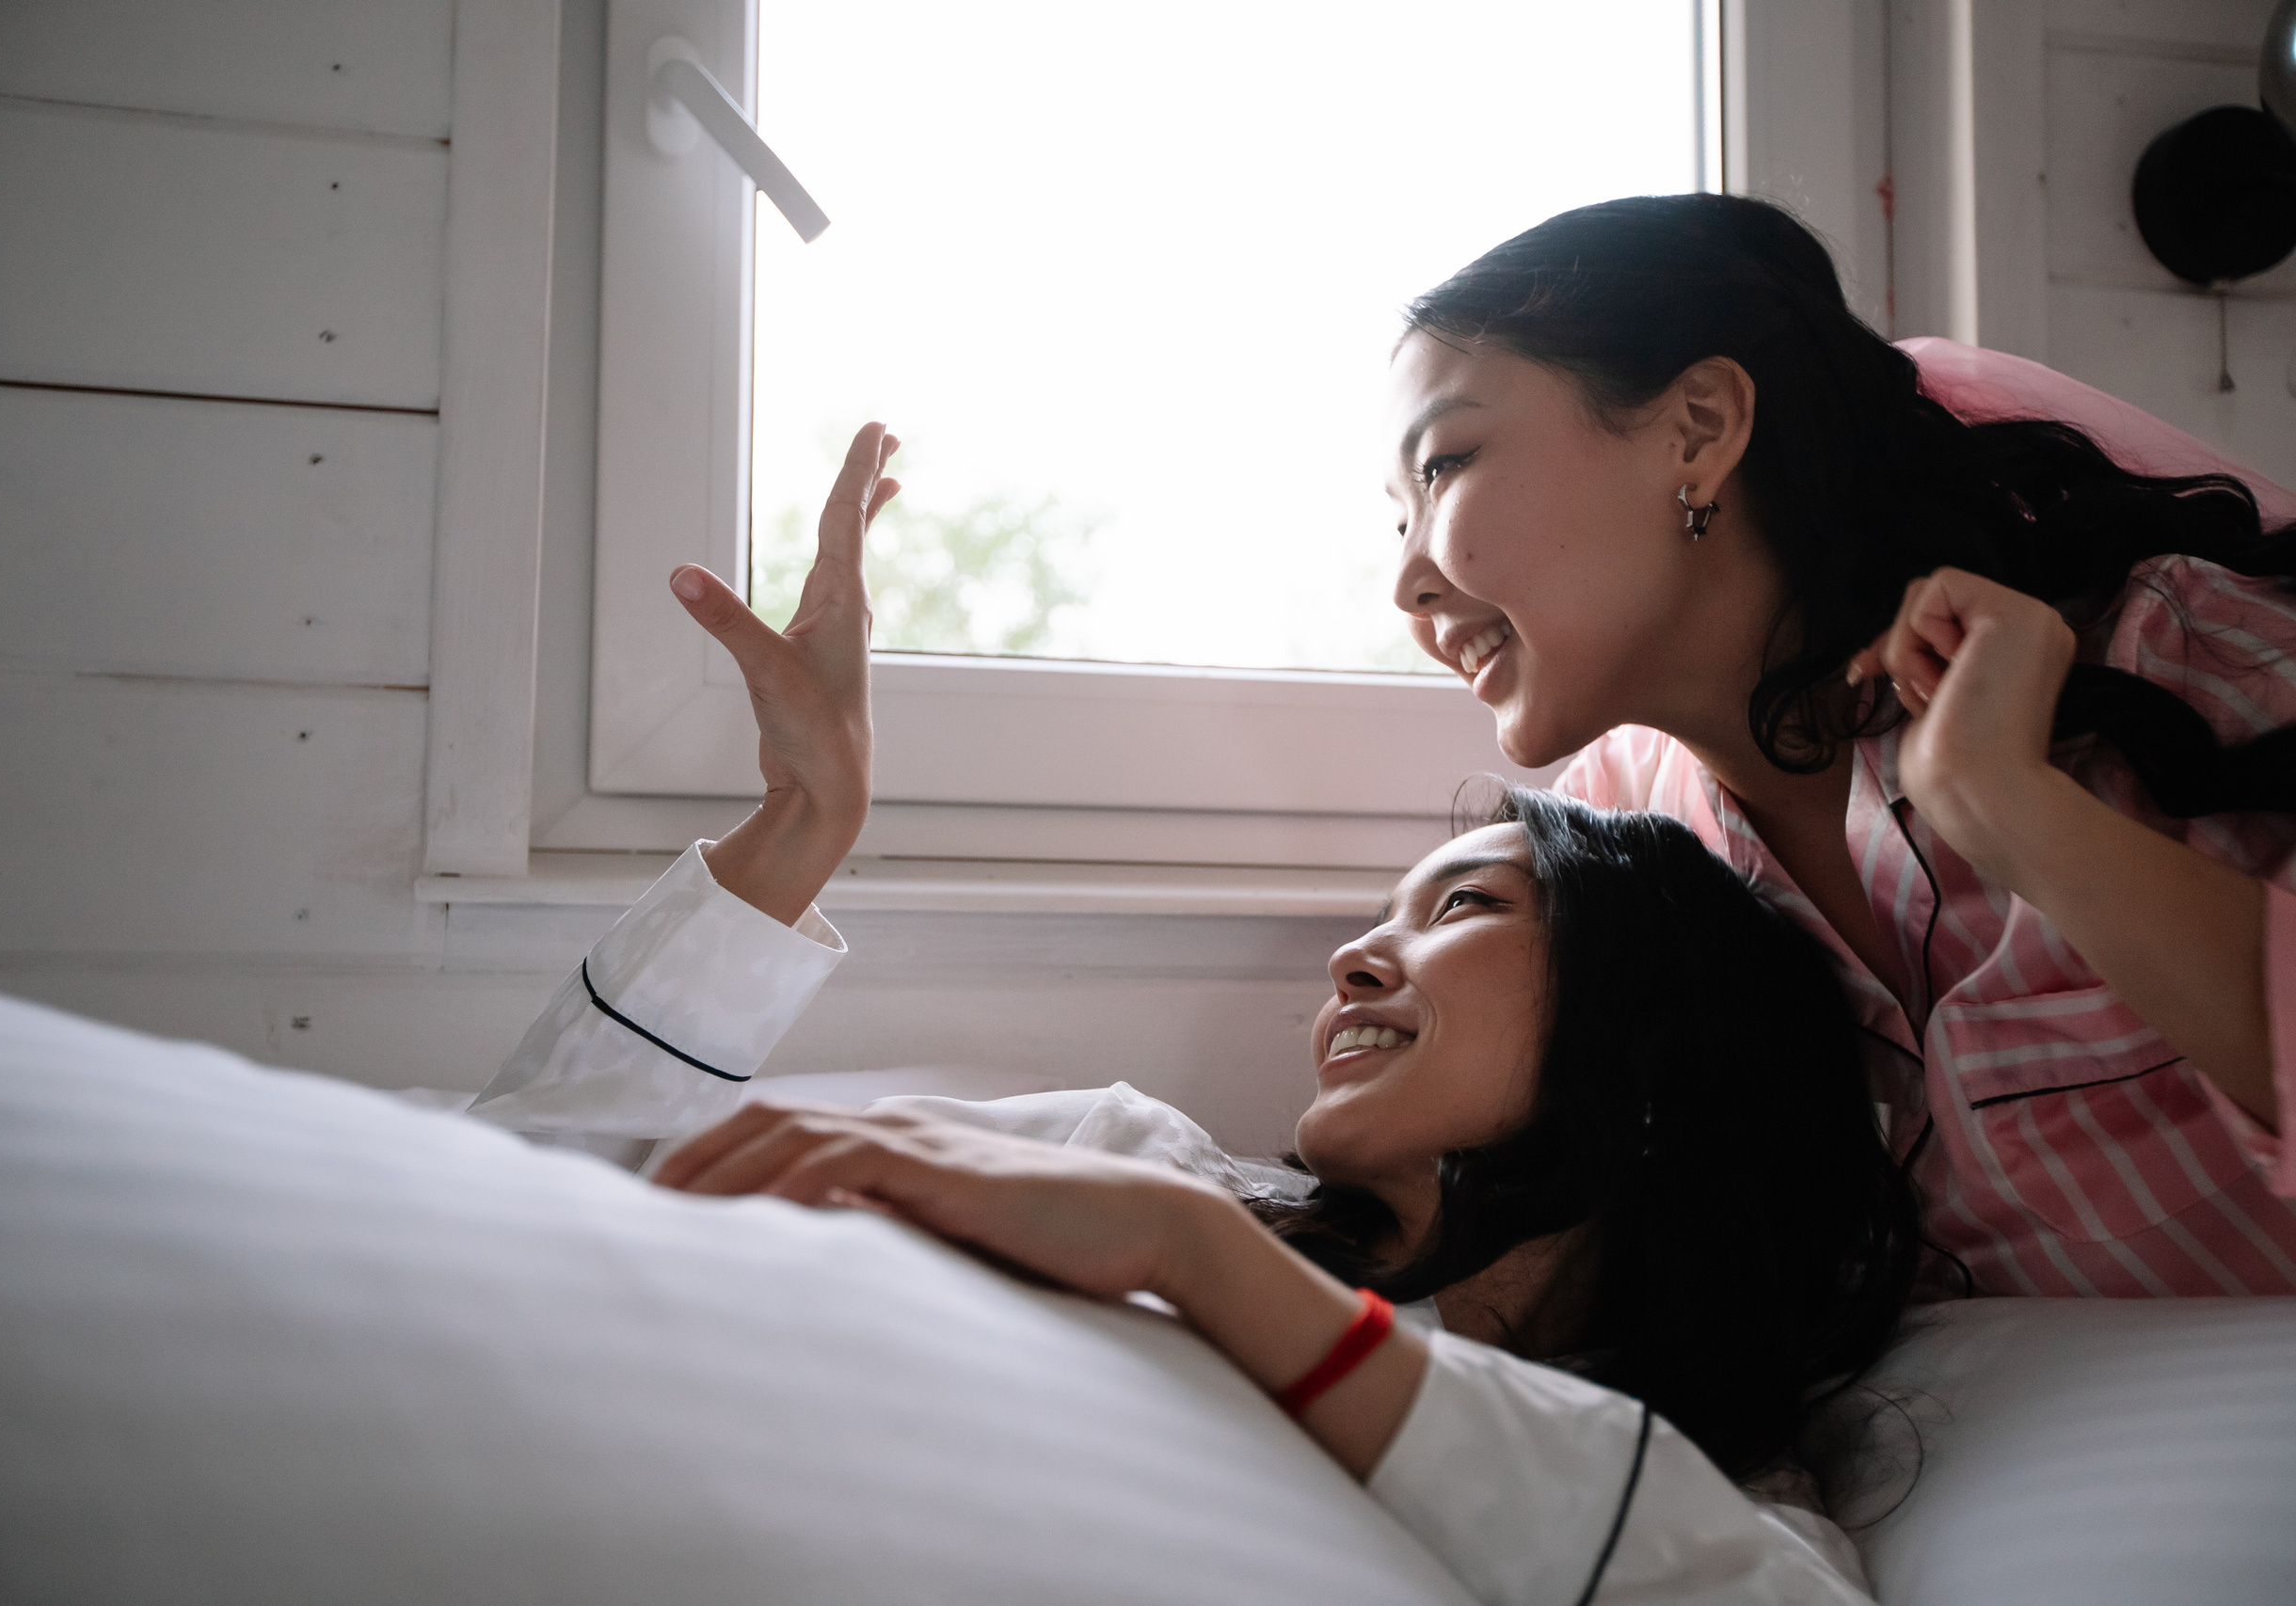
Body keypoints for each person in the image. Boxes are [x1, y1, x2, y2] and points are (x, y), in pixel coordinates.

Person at [473, 427, 1918, 1604]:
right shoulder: (1122, 1163)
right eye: (1388, 915)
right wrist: (798, 828)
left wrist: (1207, 1266)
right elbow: (526, 1191)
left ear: (1663, 1042)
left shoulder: (1726, 1500)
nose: (1355, 958)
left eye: (1464, 907)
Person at [1383, 193, 2296, 1297]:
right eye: (1397, 516)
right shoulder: (1618, 856)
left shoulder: (2172, 647)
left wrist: (2016, 810)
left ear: (1700, 428)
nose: (1408, 583)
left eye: (1441, 468)